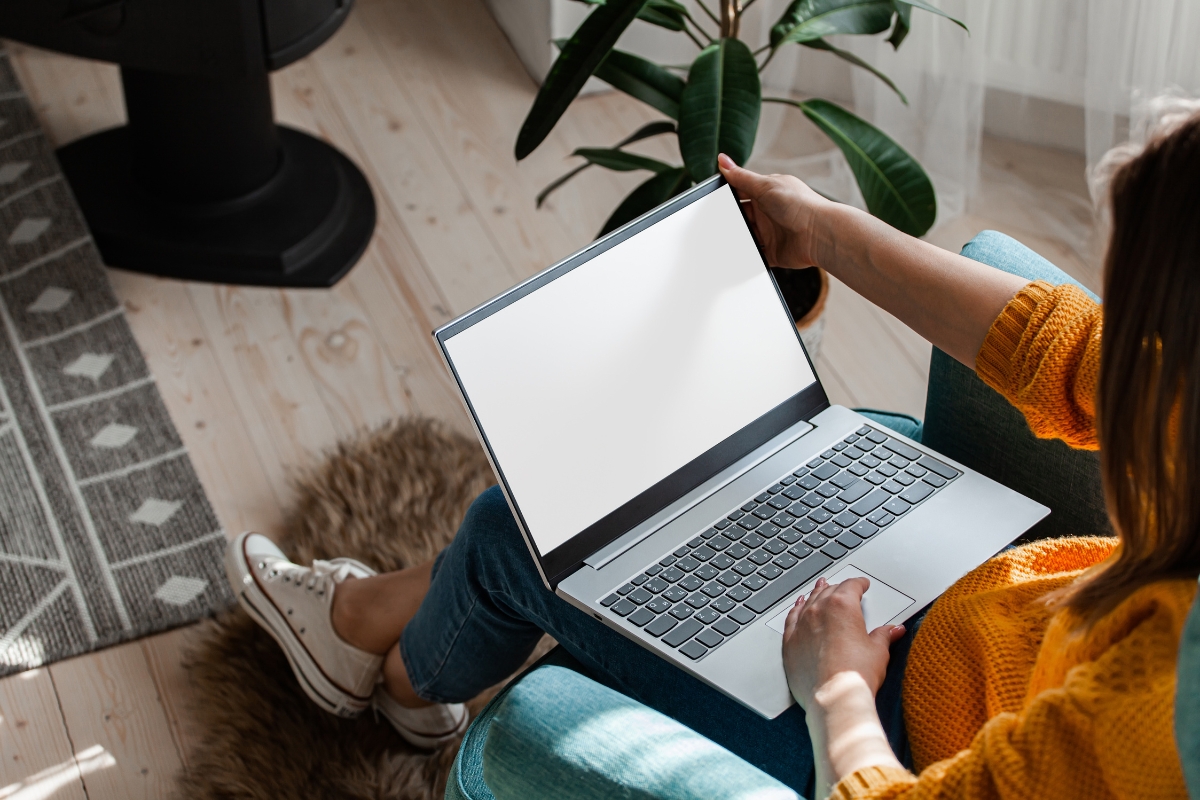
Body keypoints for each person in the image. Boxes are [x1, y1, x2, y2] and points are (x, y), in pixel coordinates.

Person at [225, 106, 1200, 798]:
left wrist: (835, 687)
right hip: (985, 619)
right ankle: (383, 649)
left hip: (908, 733)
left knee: (517, 535)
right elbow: (1066, 349)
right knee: (702, 505)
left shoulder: (1151, 707)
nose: (1126, 349)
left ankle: (383, 668)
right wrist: (827, 230)